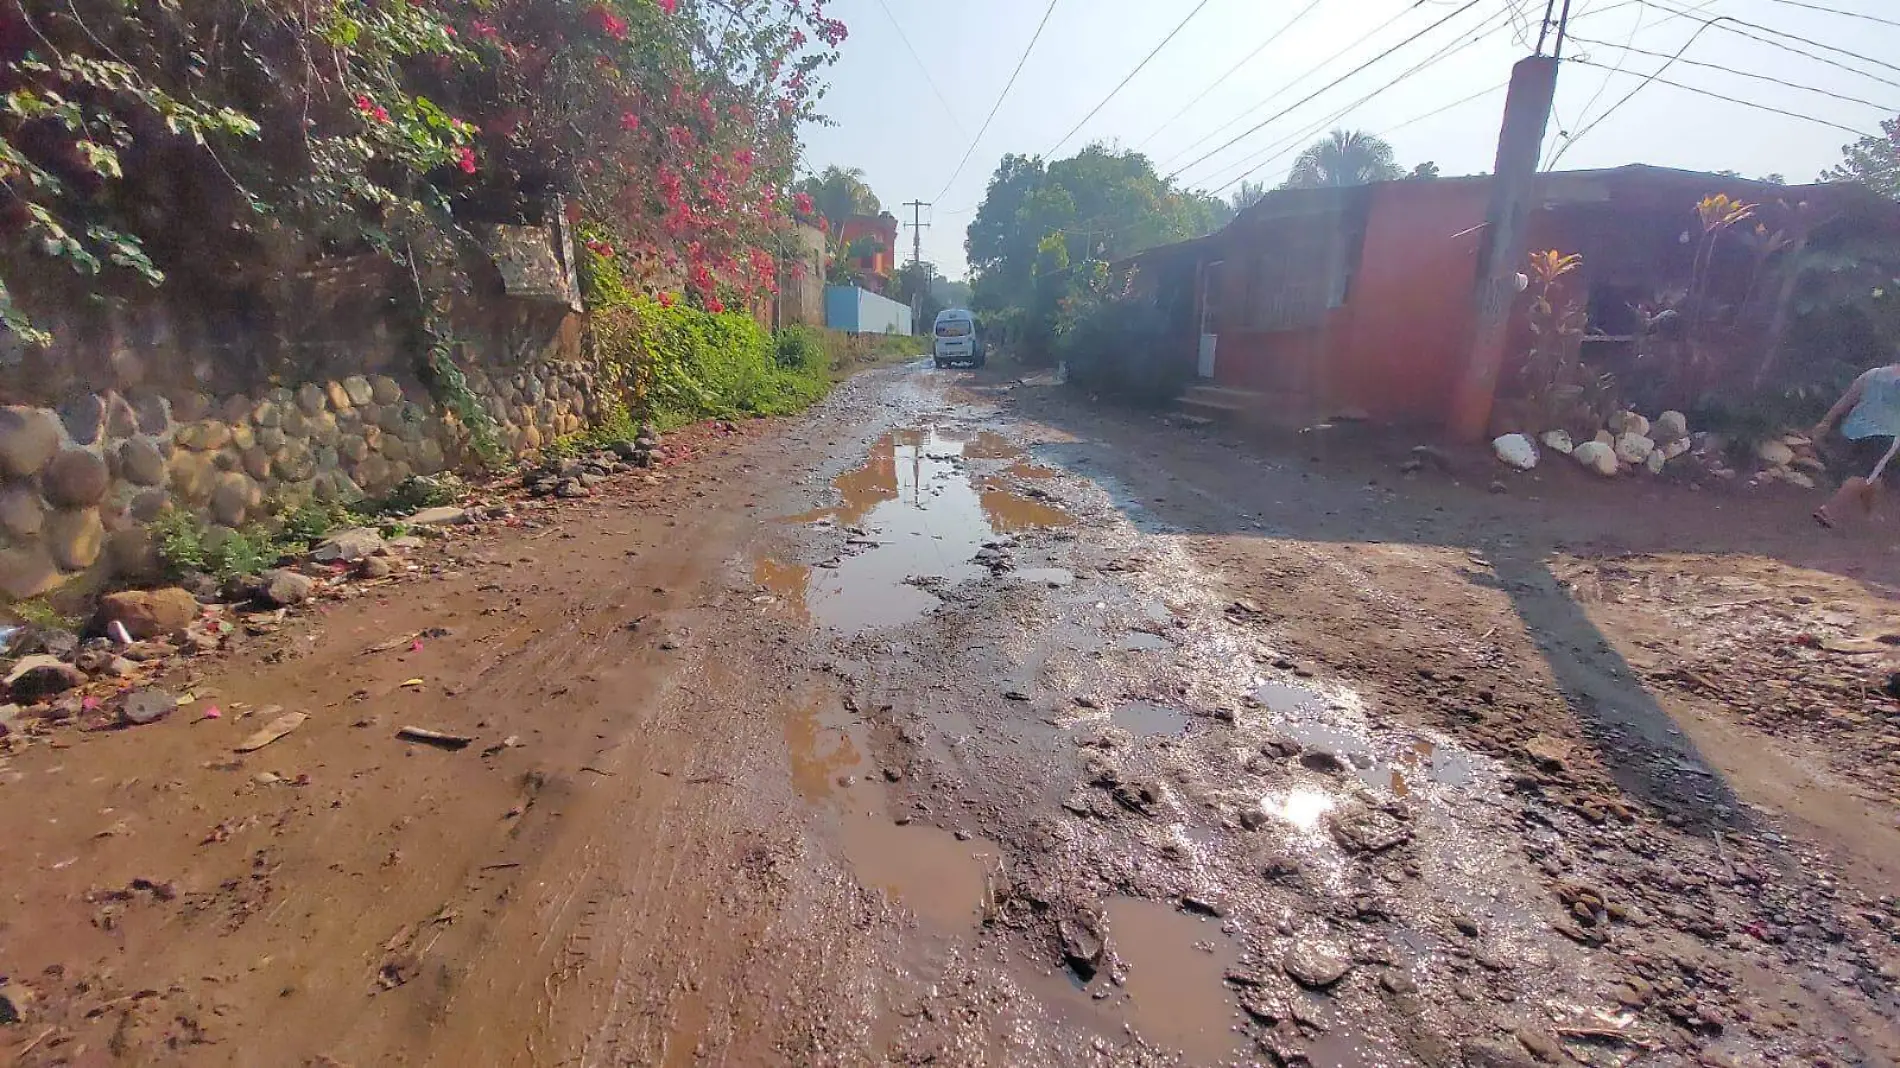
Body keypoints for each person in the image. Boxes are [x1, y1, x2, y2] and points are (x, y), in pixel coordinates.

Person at [1811, 361, 1900, 527]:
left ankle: (1871, 514)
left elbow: (1847, 399)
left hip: (1854, 430)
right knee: (1863, 476)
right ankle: (1829, 511)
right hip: (1886, 434)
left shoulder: (1873, 374)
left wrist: (1826, 422)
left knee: (1874, 474)